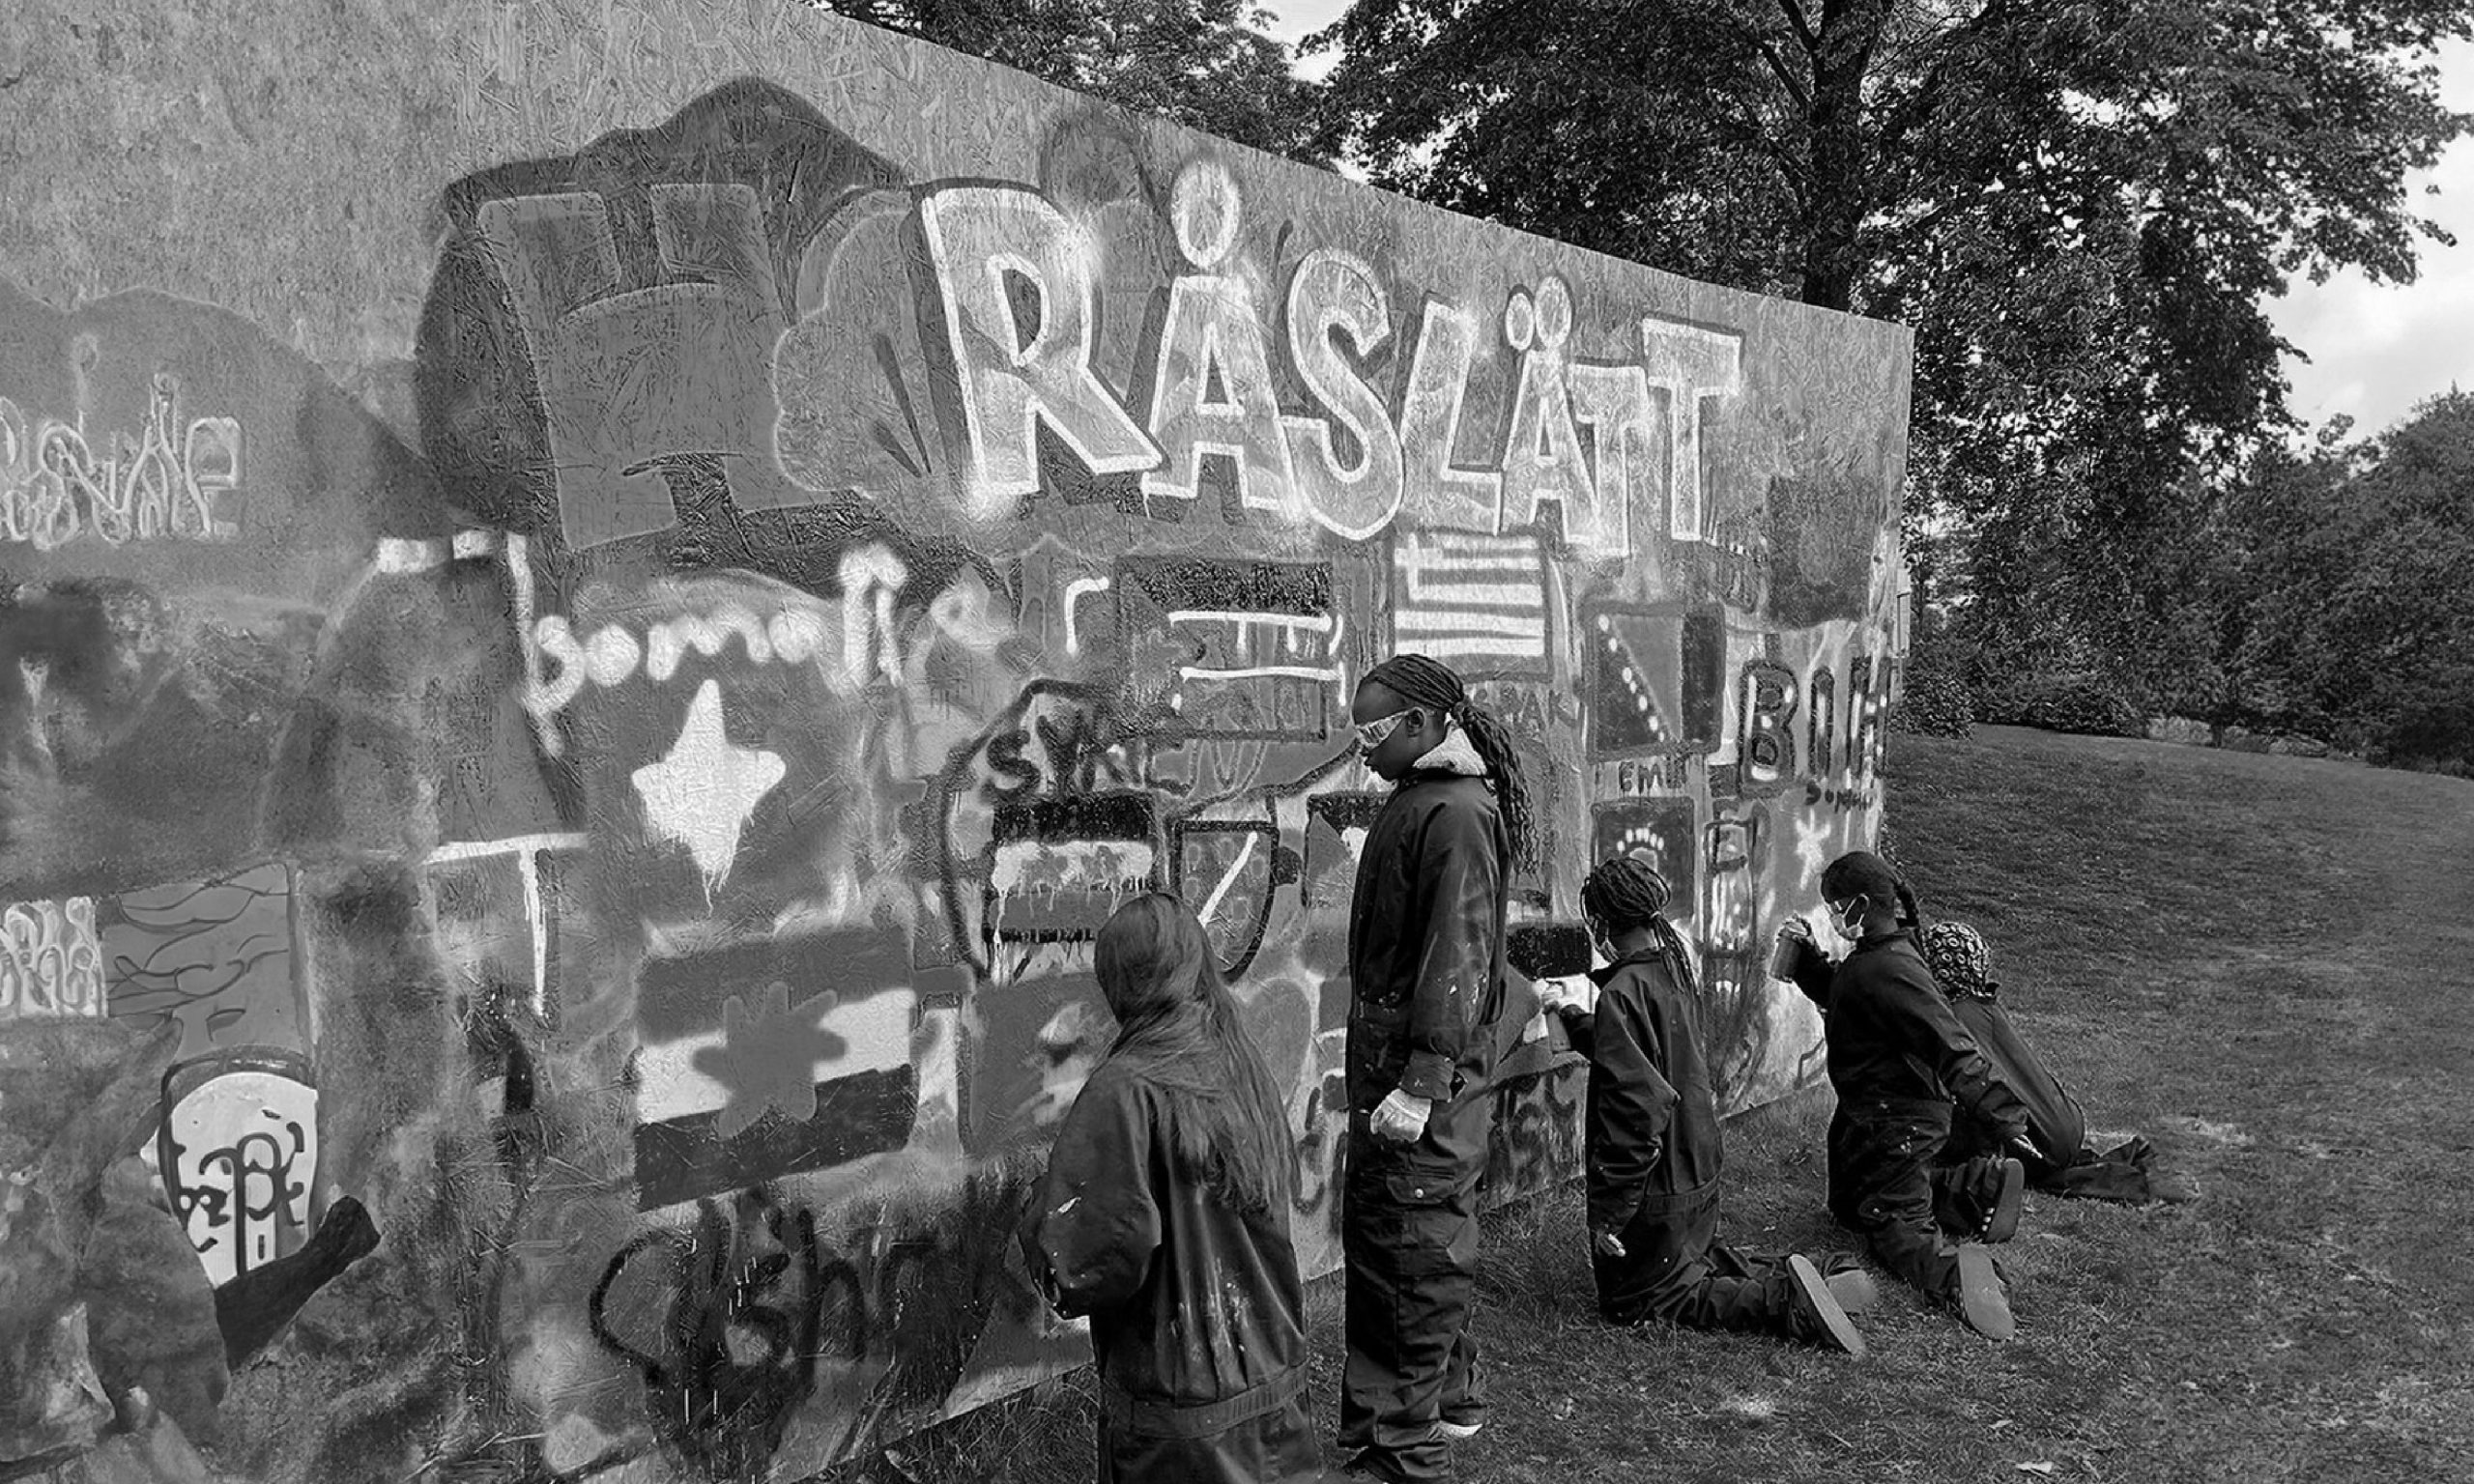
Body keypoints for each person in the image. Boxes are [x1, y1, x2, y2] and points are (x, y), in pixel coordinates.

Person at [1019, 893, 1321, 1484]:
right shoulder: (1241, 1061)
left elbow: (1087, 1260)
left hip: (1179, 1424)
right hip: (1272, 1394)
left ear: (1120, 983)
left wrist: (1039, 1209)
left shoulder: (1125, 1087)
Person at [1543, 853, 1870, 1355]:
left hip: (1658, 1179)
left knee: (1645, 1298)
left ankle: (1784, 1302)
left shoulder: (1623, 993)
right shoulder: (1671, 970)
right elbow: (1642, 1051)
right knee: (1691, 1258)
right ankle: (1821, 1272)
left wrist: (1611, 1211)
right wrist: (1573, 1016)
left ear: (1601, 921)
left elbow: (1635, 1107)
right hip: (1696, 1160)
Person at [1338, 654, 1531, 1484]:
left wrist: (1420, 1083)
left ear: (1422, 725)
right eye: (1357, 734)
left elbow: (1459, 949)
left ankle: (1402, 1447)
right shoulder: (1429, 802)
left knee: (1407, 1249)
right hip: (1409, 1067)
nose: (1363, 749)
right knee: (1424, 1234)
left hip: (1422, 1080)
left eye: (1375, 732)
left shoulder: (1452, 813)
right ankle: (1452, 1398)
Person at [1775, 850, 2042, 1340]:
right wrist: (1809, 961)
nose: (1832, 918)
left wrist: (2007, 1119)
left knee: (1894, 1227)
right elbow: (1846, 993)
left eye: (1834, 907)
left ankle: (1957, 1275)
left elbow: (1954, 1046)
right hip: (1869, 1115)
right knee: (1849, 1208)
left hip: (1900, 1123)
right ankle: (1977, 1187)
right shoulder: (1880, 955)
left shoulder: (1892, 967)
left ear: (1858, 906)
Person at [1921, 922, 2192, 1207]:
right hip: (2066, 1122)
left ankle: (2148, 1184)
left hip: (2040, 1139)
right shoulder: (1985, 1006)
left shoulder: (1955, 1019)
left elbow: (1969, 1089)